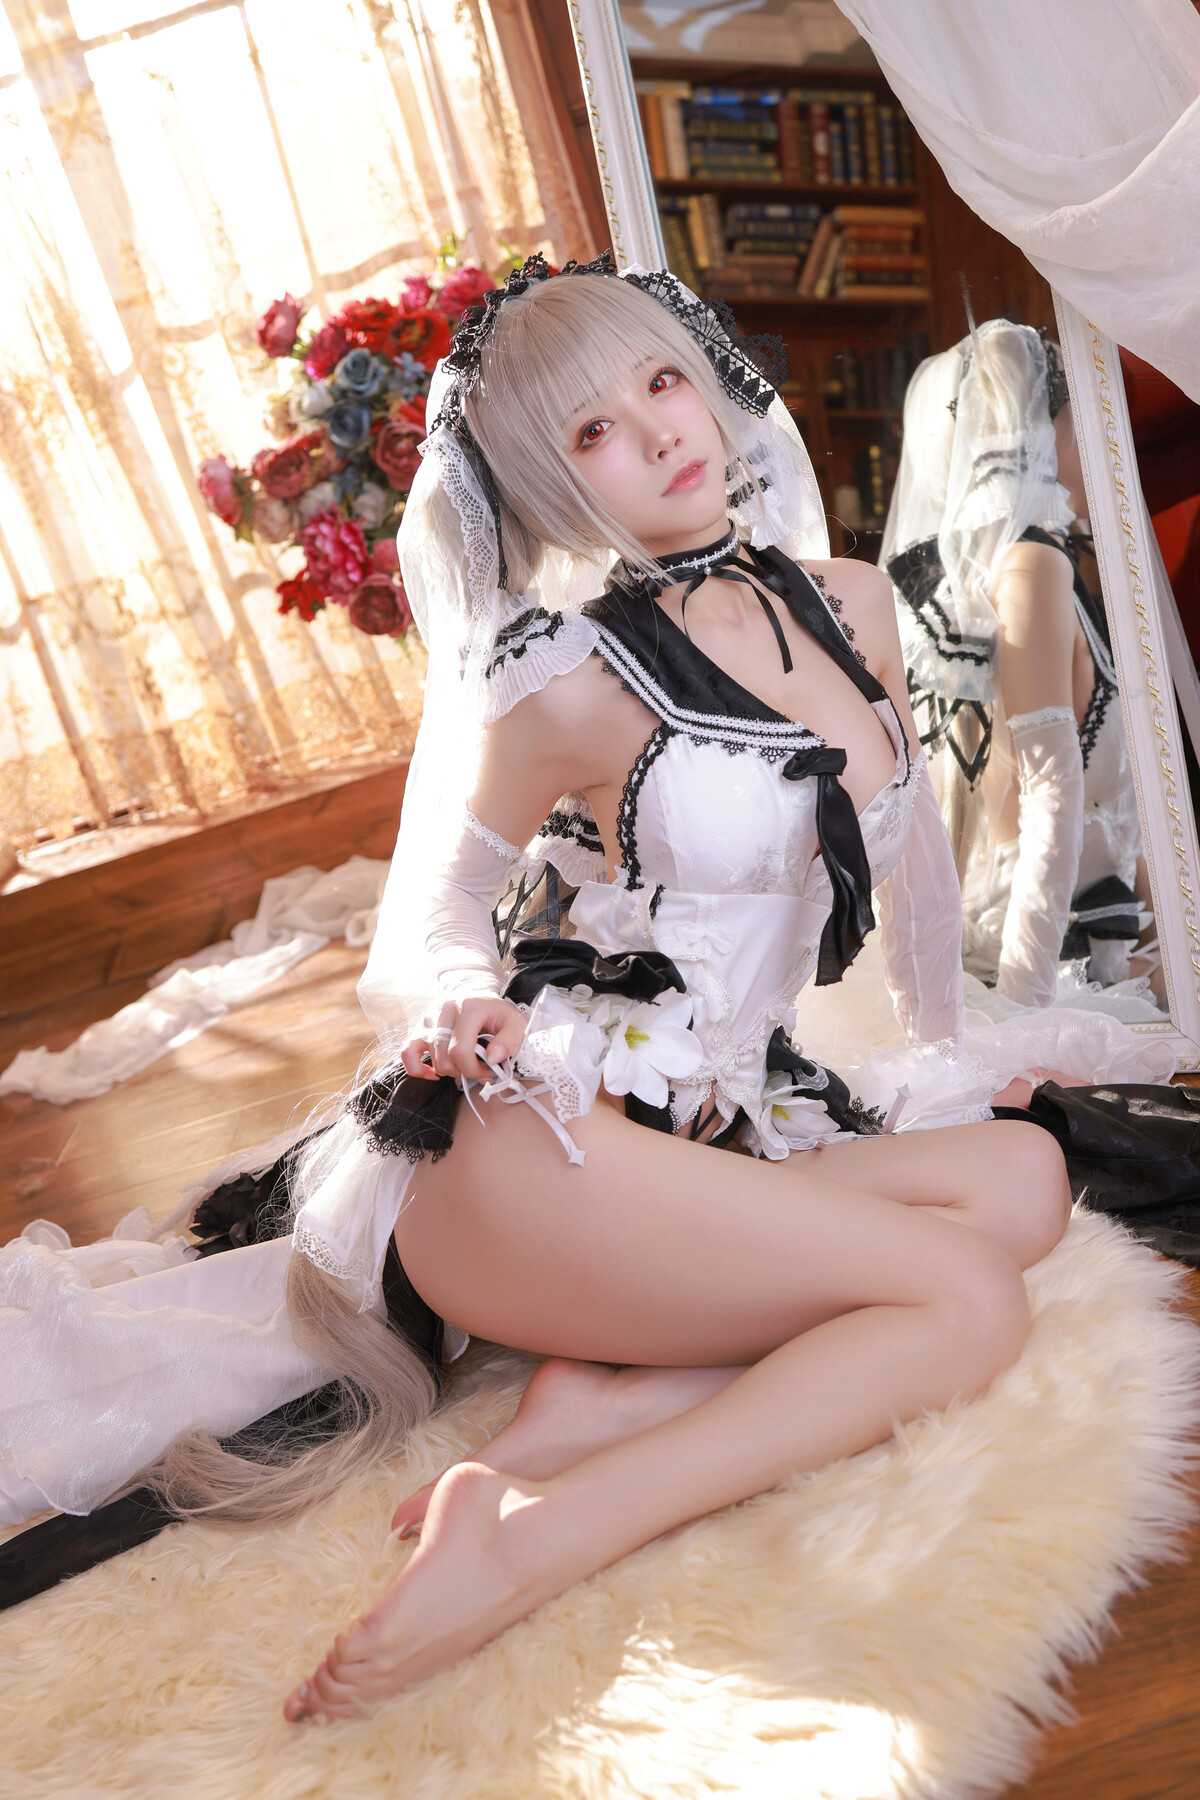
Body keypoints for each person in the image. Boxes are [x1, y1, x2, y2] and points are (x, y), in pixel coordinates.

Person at [0, 258, 1175, 1720]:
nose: (660, 430)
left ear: (714, 384)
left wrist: (950, 1055)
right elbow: (435, 905)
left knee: (1022, 1180)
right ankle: (536, 1531)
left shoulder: (856, 609)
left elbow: (918, 877)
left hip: (713, 1125)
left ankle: (603, 1397)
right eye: (593, 430)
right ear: (551, 490)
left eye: (663, 379)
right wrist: (454, 998)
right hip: (538, 1143)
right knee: (967, 1299)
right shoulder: (568, 680)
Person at [882, 318, 1161, 1015]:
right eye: (1078, 425)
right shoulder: (1032, 563)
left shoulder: (986, 571)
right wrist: (1026, 1010)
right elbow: (1051, 791)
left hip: (1051, 921)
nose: (1093, 448)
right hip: (1042, 948)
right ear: (1042, 431)